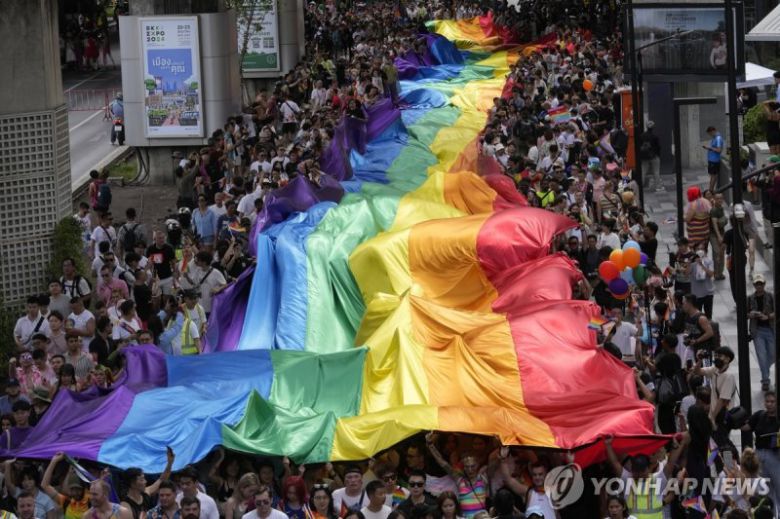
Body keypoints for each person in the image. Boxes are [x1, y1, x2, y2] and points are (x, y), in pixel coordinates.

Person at [740, 391, 780, 510]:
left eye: (772, 402)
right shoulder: (759, 415)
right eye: (767, 401)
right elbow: (746, 427)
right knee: (763, 488)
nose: (769, 404)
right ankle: (768, 512)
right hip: (759, 454)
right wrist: (736, 419)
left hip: (774, 455)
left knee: (778, 486)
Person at [694, 346, 737, 446]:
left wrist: (712, 417)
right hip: (715, 416)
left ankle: (730, 461)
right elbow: (697, 371)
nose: (717, 358)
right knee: (716, 444)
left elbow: (723, 400)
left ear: (727, 359)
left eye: (720, 356)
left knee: (722, 444)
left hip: (721, 418)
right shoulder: (715, 370)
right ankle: (724, 461)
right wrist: (699, 359)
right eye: (716, 355)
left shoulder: (728, 376)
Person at [41, 453, 90, 519]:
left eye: (78, 489)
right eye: (72, 489)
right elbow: (44, 485)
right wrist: (54, 461)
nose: (75, 493)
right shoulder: (66, 501)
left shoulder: (91, 501)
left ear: (84, 488)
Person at [747, 274, 775, 392]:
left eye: (761, 284)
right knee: (762, 356)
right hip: (757, 330)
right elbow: (745, 313)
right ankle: (765, 380)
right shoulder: (750, 298)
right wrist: (751, 314)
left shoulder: (770, 296)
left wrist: (767, 317)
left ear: (764, 284)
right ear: (754, 285)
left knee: (773, 355)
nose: (759, 286)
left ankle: (765, 369)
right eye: (757, 284)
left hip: (770, 329)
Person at [638, 121, 662, 192]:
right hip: (654, 156)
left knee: (643, 171)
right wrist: (658, 155)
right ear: (653, 128)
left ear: (646, 127)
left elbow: (639, 146)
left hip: (644, 157)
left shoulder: (642, 136)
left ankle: (640, 187)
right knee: (656, 171)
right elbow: (658, 147)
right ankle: (658, 187)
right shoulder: (655, 136)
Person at [704, 126, 724, 192]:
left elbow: (719, 150)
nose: (710, 135)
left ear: (713, 131)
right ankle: (710, 189)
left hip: (714, 160)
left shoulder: (718, 138)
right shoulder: (715, 138)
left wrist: (709, 148)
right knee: (712, 176)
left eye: (710, 133)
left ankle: (711, 190)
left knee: (714, 176)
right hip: (712, 160)